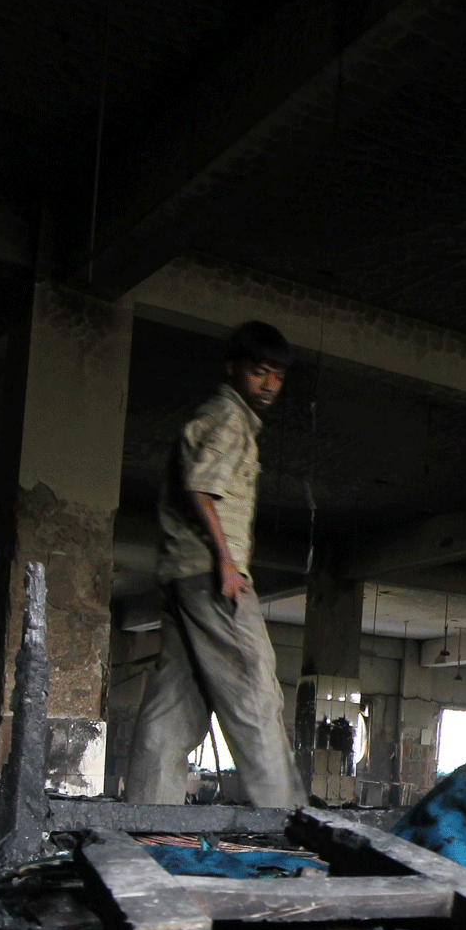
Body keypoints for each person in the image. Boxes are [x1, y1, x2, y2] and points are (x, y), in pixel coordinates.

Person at [124, 322, 301, 807]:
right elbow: (200, 488)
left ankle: (148, 810)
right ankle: (283, 815)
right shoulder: (228, 416)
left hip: (181, 574)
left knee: (175, 702)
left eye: (277, 377)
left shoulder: (227, 417)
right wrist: (226, 562)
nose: (268, 385)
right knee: (254, 683)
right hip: (208, 574)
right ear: (234, 369)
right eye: (259, 372)